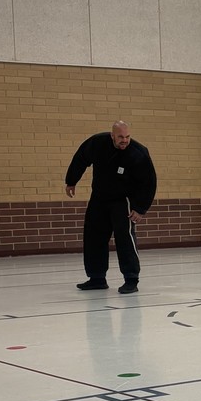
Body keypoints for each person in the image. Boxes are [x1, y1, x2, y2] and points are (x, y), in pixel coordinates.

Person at [65, 121, 157, 294]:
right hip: (99, 198)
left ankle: (131, 279)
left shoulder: (139, 153)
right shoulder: (97, 143)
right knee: (93, 236)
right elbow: (81, 158)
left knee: (125, 239)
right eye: (121, 137)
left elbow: (149, 182)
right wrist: (71, 180)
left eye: (127, 136)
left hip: (123, 201)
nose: (125, 140)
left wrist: (140, 208)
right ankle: (96, 278)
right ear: (112, 135)